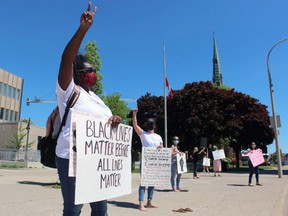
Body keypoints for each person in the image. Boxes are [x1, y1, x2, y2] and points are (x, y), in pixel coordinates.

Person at [56, 3, 122, 216]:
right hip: (71, 157)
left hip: (95, 161)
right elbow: (66, 59)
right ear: (78, 72)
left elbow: (109, 124)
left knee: (101, 208)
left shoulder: (98, 101)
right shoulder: (68, 90)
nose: (94, 73)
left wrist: (115, 119)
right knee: (74, 208)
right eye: (90, 70)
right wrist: (83, 29)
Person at [133, 108, 163, 211]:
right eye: (149, 124)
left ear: (154, 125)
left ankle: (149, 201)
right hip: (146, 161)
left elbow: (161, 148)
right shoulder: (143, 134)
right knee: (144, 182)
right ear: (147, 125)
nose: (151, 125)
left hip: (155, 162)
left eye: (152, 123)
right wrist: (134, 115)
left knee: (152, 181)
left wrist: (160, 148)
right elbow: (135, 126)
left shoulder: (158, 136)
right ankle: (141, 203)